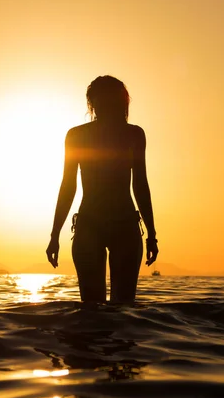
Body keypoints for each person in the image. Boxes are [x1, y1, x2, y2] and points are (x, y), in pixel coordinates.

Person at [46, 75, 158, 303]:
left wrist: (152, 235)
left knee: (111, 310)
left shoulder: (133, 134)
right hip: (92, 225)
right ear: (92, 103)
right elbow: (68, 185)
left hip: (121, 225)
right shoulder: (77, 135)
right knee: (104, 309)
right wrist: (54, 234)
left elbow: (140, 184)